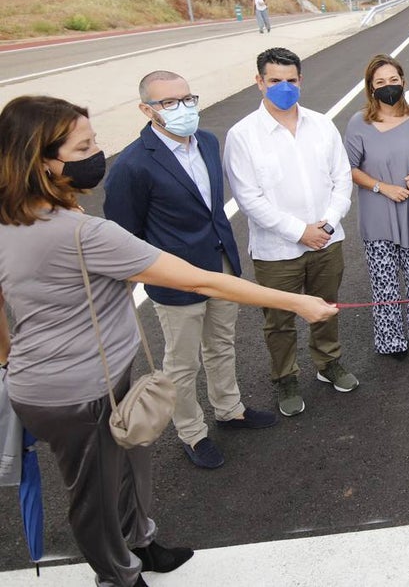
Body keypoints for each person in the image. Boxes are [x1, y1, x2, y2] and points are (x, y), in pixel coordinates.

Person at [0, 96, 336, 587]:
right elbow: (202, 280)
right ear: (43, 159)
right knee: (94, 495)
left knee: (131, 461)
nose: (99, 153)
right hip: (75, 392)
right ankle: (118, 575)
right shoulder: (84, 234)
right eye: (85, 146)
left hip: (84, 381)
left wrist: (9, 359)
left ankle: (142, 543)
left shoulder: (11, 219)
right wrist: (297, 303)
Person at [104, 71, 277, 471]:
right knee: (182, 364)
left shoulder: (209, 142)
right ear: (147, 110)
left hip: (221, 266)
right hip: (176, 281)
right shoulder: (132, 165)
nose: (182, 109)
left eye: (187, 99)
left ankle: (229, 408)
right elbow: (125, 235)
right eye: (169, 103)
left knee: (221, 345)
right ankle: (192, 432)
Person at [224, 47, 358, 418]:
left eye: (291, 80)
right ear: (259, 83)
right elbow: (249, 198)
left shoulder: (322, 124)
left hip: (328, 241)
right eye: (275, 81)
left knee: (326, 308)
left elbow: (341, 179)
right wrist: (300, 232)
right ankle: (284, 377)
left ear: (301, 80)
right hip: (276, 250)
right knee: (280, 320)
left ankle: (328, 363)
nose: (284, 87)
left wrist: (327, 224)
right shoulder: (243, 135)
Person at [344, 54, 409, 358]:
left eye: (393, 80)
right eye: (380, 82)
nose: (388, 87)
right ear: (371, 87)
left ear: (403, 81)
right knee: (384, 284)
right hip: (378, 213)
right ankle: (391, 340)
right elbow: (351, 169)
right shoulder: (359, 123)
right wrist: (384, 188)